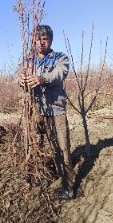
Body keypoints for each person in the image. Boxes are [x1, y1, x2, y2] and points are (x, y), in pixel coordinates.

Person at [18, 24, 76, 200]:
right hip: (35, 110)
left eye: (45, 39)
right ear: (33, 40)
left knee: (62, 147)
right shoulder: (28, 60)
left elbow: (60, 73)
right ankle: (42, 176)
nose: (41, 42)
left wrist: (42, 79)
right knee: (37, 146)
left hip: (55, 110)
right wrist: (20, 79)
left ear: (50, 40)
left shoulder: (60, 58)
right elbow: (18, 74)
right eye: (38, 38)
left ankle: (68, 185)